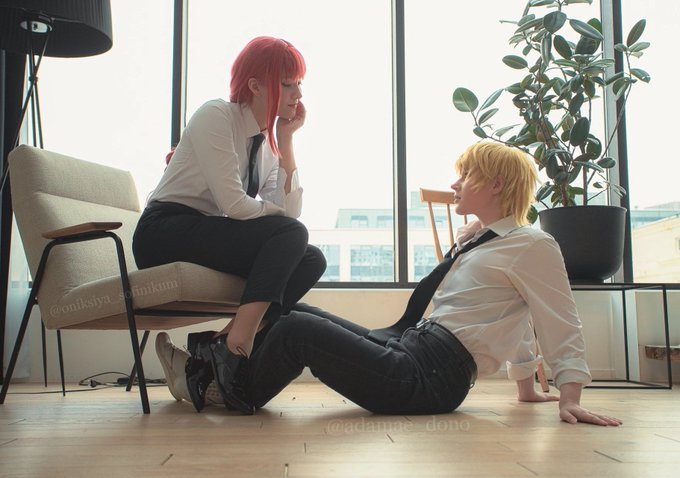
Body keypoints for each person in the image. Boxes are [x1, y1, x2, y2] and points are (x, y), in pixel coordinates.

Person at [157, 142, 621, 426]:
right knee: (292, 312)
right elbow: (509, 314)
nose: (455, 183)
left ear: (496, 184)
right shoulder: (486, 242)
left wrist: (570, 396)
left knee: (298, 332)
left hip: (433, 376)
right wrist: (524, 385)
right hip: (417, 348)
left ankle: (218, 387)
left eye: (466, 175)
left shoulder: (533, 245)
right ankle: (210, 370)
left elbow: (557, 318)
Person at [134, 36, 326, 414]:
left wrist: (286, 140)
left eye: (300, 83)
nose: (298, 94)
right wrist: (279, 218)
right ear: (255, 85)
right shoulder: (216, 116)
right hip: (163, 232)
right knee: (291, 235)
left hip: (205, 232)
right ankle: (235, 346)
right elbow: (236, 206)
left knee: (311, 259)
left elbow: (290, 212)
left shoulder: (267, 144)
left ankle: (209, 356)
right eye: (288, 83)